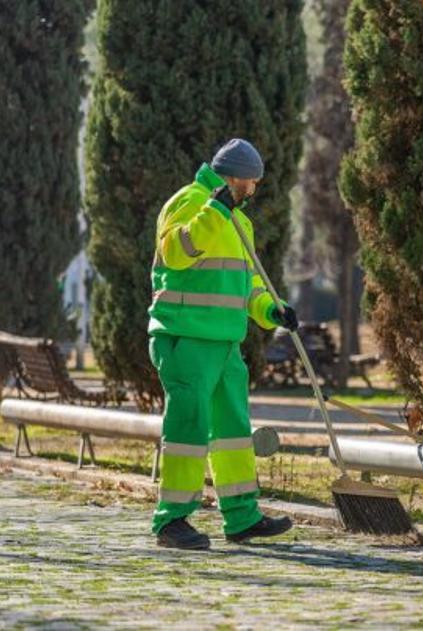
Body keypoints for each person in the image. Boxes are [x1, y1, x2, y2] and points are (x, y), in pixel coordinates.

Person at [147, 138, 297, 549]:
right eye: (252, 182)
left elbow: (246, 286)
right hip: (186, 337)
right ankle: (171, 521)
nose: (255, 190)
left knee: (233, 431)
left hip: (225, 342)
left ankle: (242, 517)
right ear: (234, 178)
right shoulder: (190, 202)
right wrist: (216, 209)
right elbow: (177, 252)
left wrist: (273, 310)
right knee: (188, 429)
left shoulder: (238, 222)